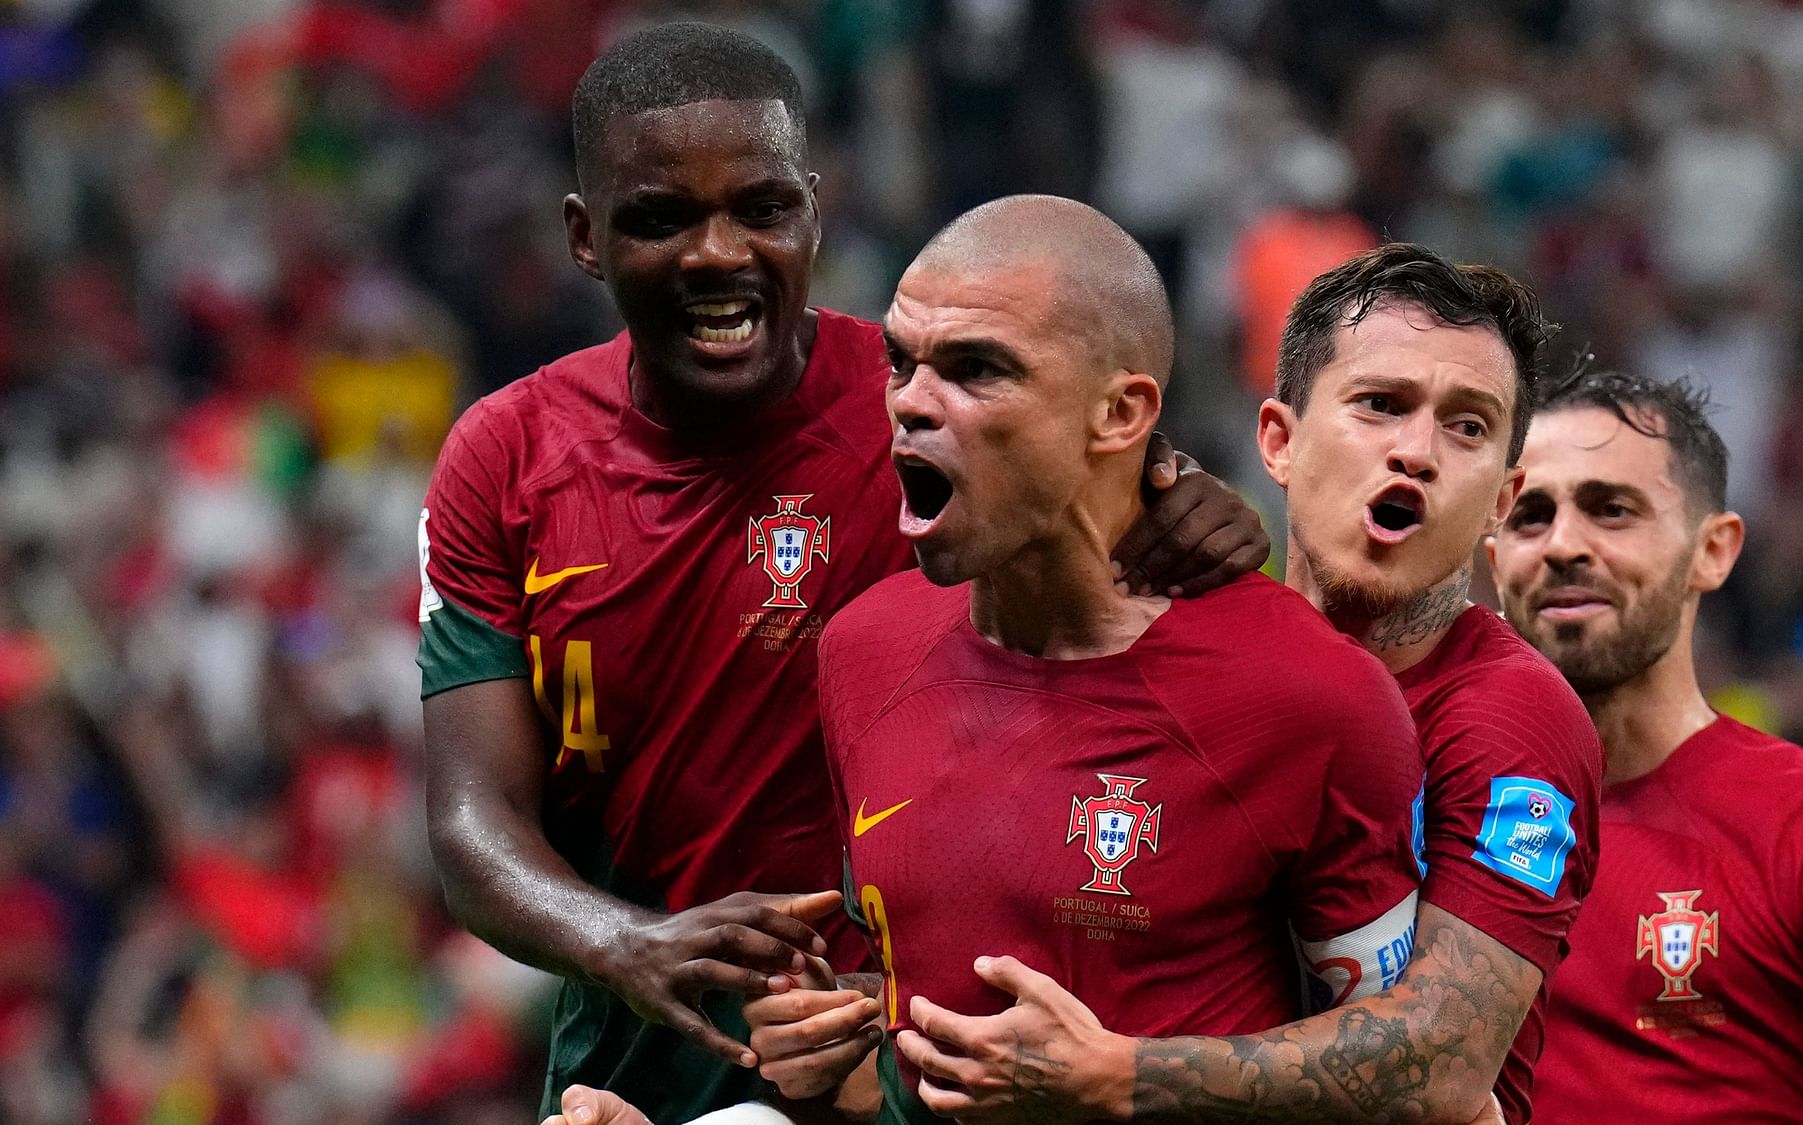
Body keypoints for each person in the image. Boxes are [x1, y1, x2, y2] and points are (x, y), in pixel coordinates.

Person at [417, 25, 1265, 1125]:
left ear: (813, 207)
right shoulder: (506, 458)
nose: (718, 253)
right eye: (662, 218)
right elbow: (471, 821)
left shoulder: (929, 409)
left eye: (761, 209)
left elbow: (1130, 547)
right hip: (631, 1072)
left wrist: (1186, 508)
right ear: (585, 237)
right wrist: (625, 944)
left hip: (912, 1067)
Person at [743, 244, 1601, 1125]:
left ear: (1504, 498)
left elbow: (1445, 1068)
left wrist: (1119, 1074)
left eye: (1467, 426)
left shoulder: (1512, 716)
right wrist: (848, 1018)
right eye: (1380, 405)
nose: (1416, 452)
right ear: (1278, 440)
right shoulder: (1194, 653)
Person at [1488, 368, 1803, 1122]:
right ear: (1493, 559)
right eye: (1528, 516)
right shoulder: (1431, 821)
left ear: (1714, 550)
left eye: (1611, 510)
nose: (1562, 544)